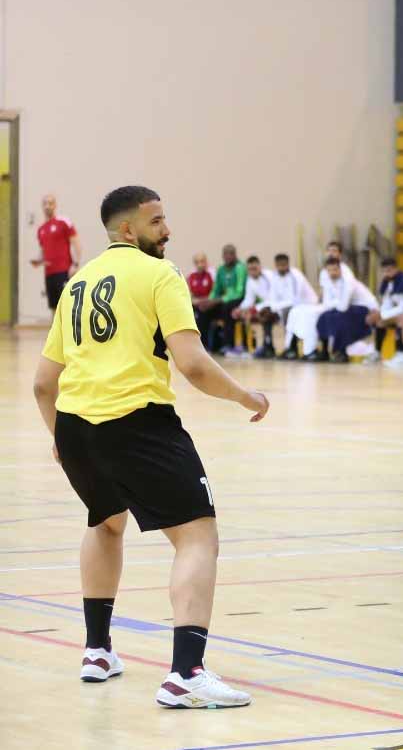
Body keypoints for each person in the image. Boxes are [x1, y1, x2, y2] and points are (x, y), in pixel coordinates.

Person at [33, 185, 268, 708]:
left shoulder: (77, 282)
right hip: (137, 422)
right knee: (198, 536)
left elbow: (43, 384)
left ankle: (96, 650)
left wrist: (58, 437)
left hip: (75, 426)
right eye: (157, 222)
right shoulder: (161, 275)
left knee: (106, 521)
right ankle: (186, 673)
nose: (168, 230)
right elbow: (193, 364)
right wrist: (245, 395)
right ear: (127, 230)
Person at [313, 257, 378, 363]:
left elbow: (343, 306)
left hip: (364, 307)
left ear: (340, 269)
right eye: (329, 270)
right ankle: (325, 351)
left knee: (341, 319)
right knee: (323, 317)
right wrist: (335, 303)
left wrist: (334, 303)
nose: (332, 273)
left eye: (335, 270)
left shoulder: (348, 281)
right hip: (348, 307)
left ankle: (341, 352)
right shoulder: (328, 281)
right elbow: (326, 304)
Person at [32, 193, 82, 310]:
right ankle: (55, 329)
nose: (47, 206)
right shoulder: (41, 229)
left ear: (55, 205)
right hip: (49, 274)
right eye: (45, 203)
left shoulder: (63, 222)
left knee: (66, 306)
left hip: (63, 271)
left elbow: (76, 244)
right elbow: (43, 251)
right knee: (53, 307)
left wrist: (75, 264)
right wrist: (38, 261)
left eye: (50, 203)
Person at [368, 258, 403, 367]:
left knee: (401, 318)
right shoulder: (386, 281)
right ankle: (377, 352)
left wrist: (383, 314)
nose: (386, 273)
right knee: (380, 321)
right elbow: (387, 302)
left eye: (389, 270)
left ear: (396, 269)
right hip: (400, 311)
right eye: (384, 271)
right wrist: (381, 314)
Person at [228, 256, 272, 358]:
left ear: (260, 267)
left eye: (254, 269)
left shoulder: (269, 277)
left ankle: (267, 346)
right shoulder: (250, 280)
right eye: (250, 269)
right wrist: (240, 309)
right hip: (264, 306)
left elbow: (272, 299)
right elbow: (249, 299)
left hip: (276, 305)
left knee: (263, 314)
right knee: (242, 314)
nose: (252, 272)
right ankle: (246, 346)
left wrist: (254, 309)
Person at [187, 253, 215, 332]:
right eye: (197, 262)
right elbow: (189, 295)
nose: (200, 265)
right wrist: (196, 301)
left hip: (209, 303)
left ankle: (204, 342)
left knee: (203, 311)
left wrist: (206, 301)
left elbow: (215, 293)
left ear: (206, 262)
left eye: (202, 261)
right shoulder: (191, 276)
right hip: (196, 303)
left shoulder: (212, 274)